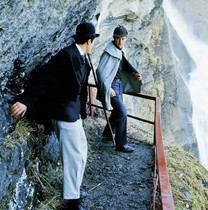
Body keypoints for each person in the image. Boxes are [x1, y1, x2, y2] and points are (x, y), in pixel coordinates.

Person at [10, 22, 99, 210]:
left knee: (81, 151)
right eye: (93, 41)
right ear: (89, 40)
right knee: (73, 156)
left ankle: (75, 189)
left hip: (74, 114)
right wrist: (26, 101)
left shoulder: (81, 56)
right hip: (64, 113)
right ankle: (72, 201)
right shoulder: (67, 55)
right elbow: (43, 79)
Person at [96, 25, 142, 153]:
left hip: (119, 85)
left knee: (117, 111)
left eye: (122, 38)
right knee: (122, 113)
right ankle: (121, 144)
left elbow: (123, 65)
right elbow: (100, 71)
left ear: (126, 38)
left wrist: (134, 74)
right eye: (118, 39)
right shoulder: (109, 52)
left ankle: (107, 134)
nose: (120, 41)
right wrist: (108, 87)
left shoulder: (122, 50)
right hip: (112, 86)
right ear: (113, 38)